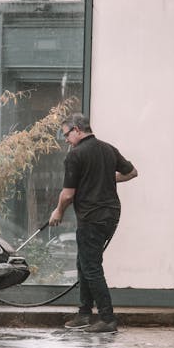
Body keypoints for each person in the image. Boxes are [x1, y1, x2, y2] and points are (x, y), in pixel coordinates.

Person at [49, 113, 137, 333]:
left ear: (77, 130)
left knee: (91, 266)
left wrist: (58, 212)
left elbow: (68, 194)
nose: (66, 139)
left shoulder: (75, 155)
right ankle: (84, 313)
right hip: (111, 215)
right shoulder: (108, 149)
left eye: (66, 134)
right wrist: (106, 177)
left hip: (92, 217)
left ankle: (107, 319)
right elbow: (131, 173)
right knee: (84, 262)